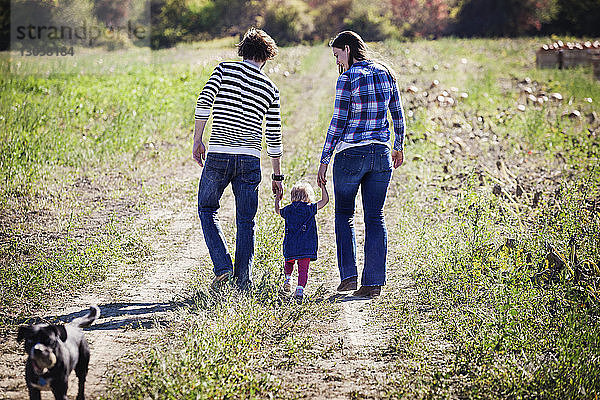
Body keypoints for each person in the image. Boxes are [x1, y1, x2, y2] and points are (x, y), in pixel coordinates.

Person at [193, 28, 285, 291]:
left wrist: (198, 139)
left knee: (207, 209)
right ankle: (243, 281)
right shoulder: (271, 89)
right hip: (249, 160)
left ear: (242, 51)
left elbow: (203, 102)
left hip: (219, 153)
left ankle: (222, 267)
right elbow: (274, 137)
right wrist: (277, 176)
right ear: (266, 58)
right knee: (247, 221)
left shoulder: (223, 70)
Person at [317, 30, 405, 298]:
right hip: (380, 154)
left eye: (337, 55)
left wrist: (324, 159)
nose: (338, 62)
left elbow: (338, 122)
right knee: (375, 216)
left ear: (347, 48)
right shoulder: (386, 72)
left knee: (344, 215)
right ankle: (373, 282)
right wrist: (398, 146)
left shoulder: (347, 78)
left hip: (350, 155)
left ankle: (349, 277)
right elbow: (397, 113)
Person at [275, 181, 329, 301]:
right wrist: (323, 187)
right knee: (303, 269)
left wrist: (278, 198)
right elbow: (325, 201)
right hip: (306, 246)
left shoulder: (288, 210)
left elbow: (278, 210)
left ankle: (288, 278)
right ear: (308, 196)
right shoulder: (310, 208)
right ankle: (299, 290)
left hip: (291, 245)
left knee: (289, 262)